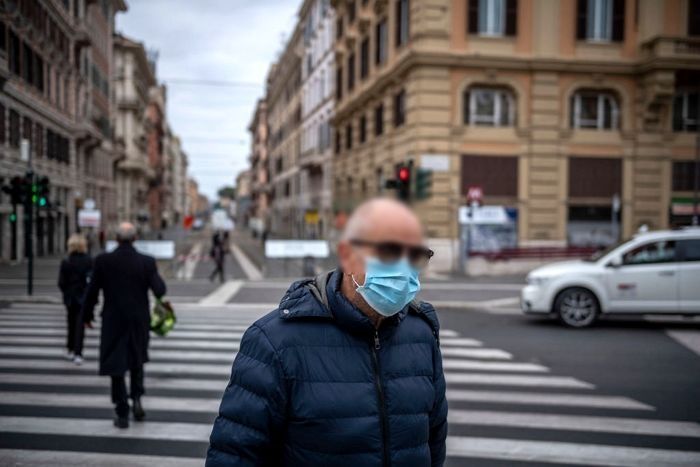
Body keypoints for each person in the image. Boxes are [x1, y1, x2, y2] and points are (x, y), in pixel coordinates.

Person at [206, 198, 447, 466]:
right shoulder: (274, 342)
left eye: (414, 256)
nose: (403, 268)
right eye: (389, 252)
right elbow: (236, 455)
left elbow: (434, 442)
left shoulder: (422, 334)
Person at [79, 222, 167, 429]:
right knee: (137, 361)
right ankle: (136, 399)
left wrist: (86, 316)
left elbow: (91, 292)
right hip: (139, 320)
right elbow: (160, 290)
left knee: (115, 365)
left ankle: (122, 412)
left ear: (116, 239)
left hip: (113, 319)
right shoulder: (146, 261)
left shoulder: (102, 261)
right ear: (135, 238)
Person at [57, 234, 92, 366]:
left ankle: (70, 349)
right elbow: (91, 280)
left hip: (70, 298)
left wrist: (66, 292)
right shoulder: (89, 260)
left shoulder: (66, 261)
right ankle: (78, 353)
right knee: (80, 326)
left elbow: (61, 282)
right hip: (83, 297)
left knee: (71, 324)